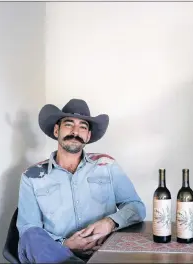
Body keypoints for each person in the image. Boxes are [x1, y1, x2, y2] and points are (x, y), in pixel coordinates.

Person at [16, 99, 146, 263]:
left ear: (88, 135)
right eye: (69, 124)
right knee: (30, 237)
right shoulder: (31, 176)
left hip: (103, 253)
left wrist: (110, 223)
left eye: (83, 127)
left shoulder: (106, 165)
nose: (75, 131)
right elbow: (28, 228)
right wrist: (65, 244)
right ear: (57, 130)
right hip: (54, 256)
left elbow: (136, 206)